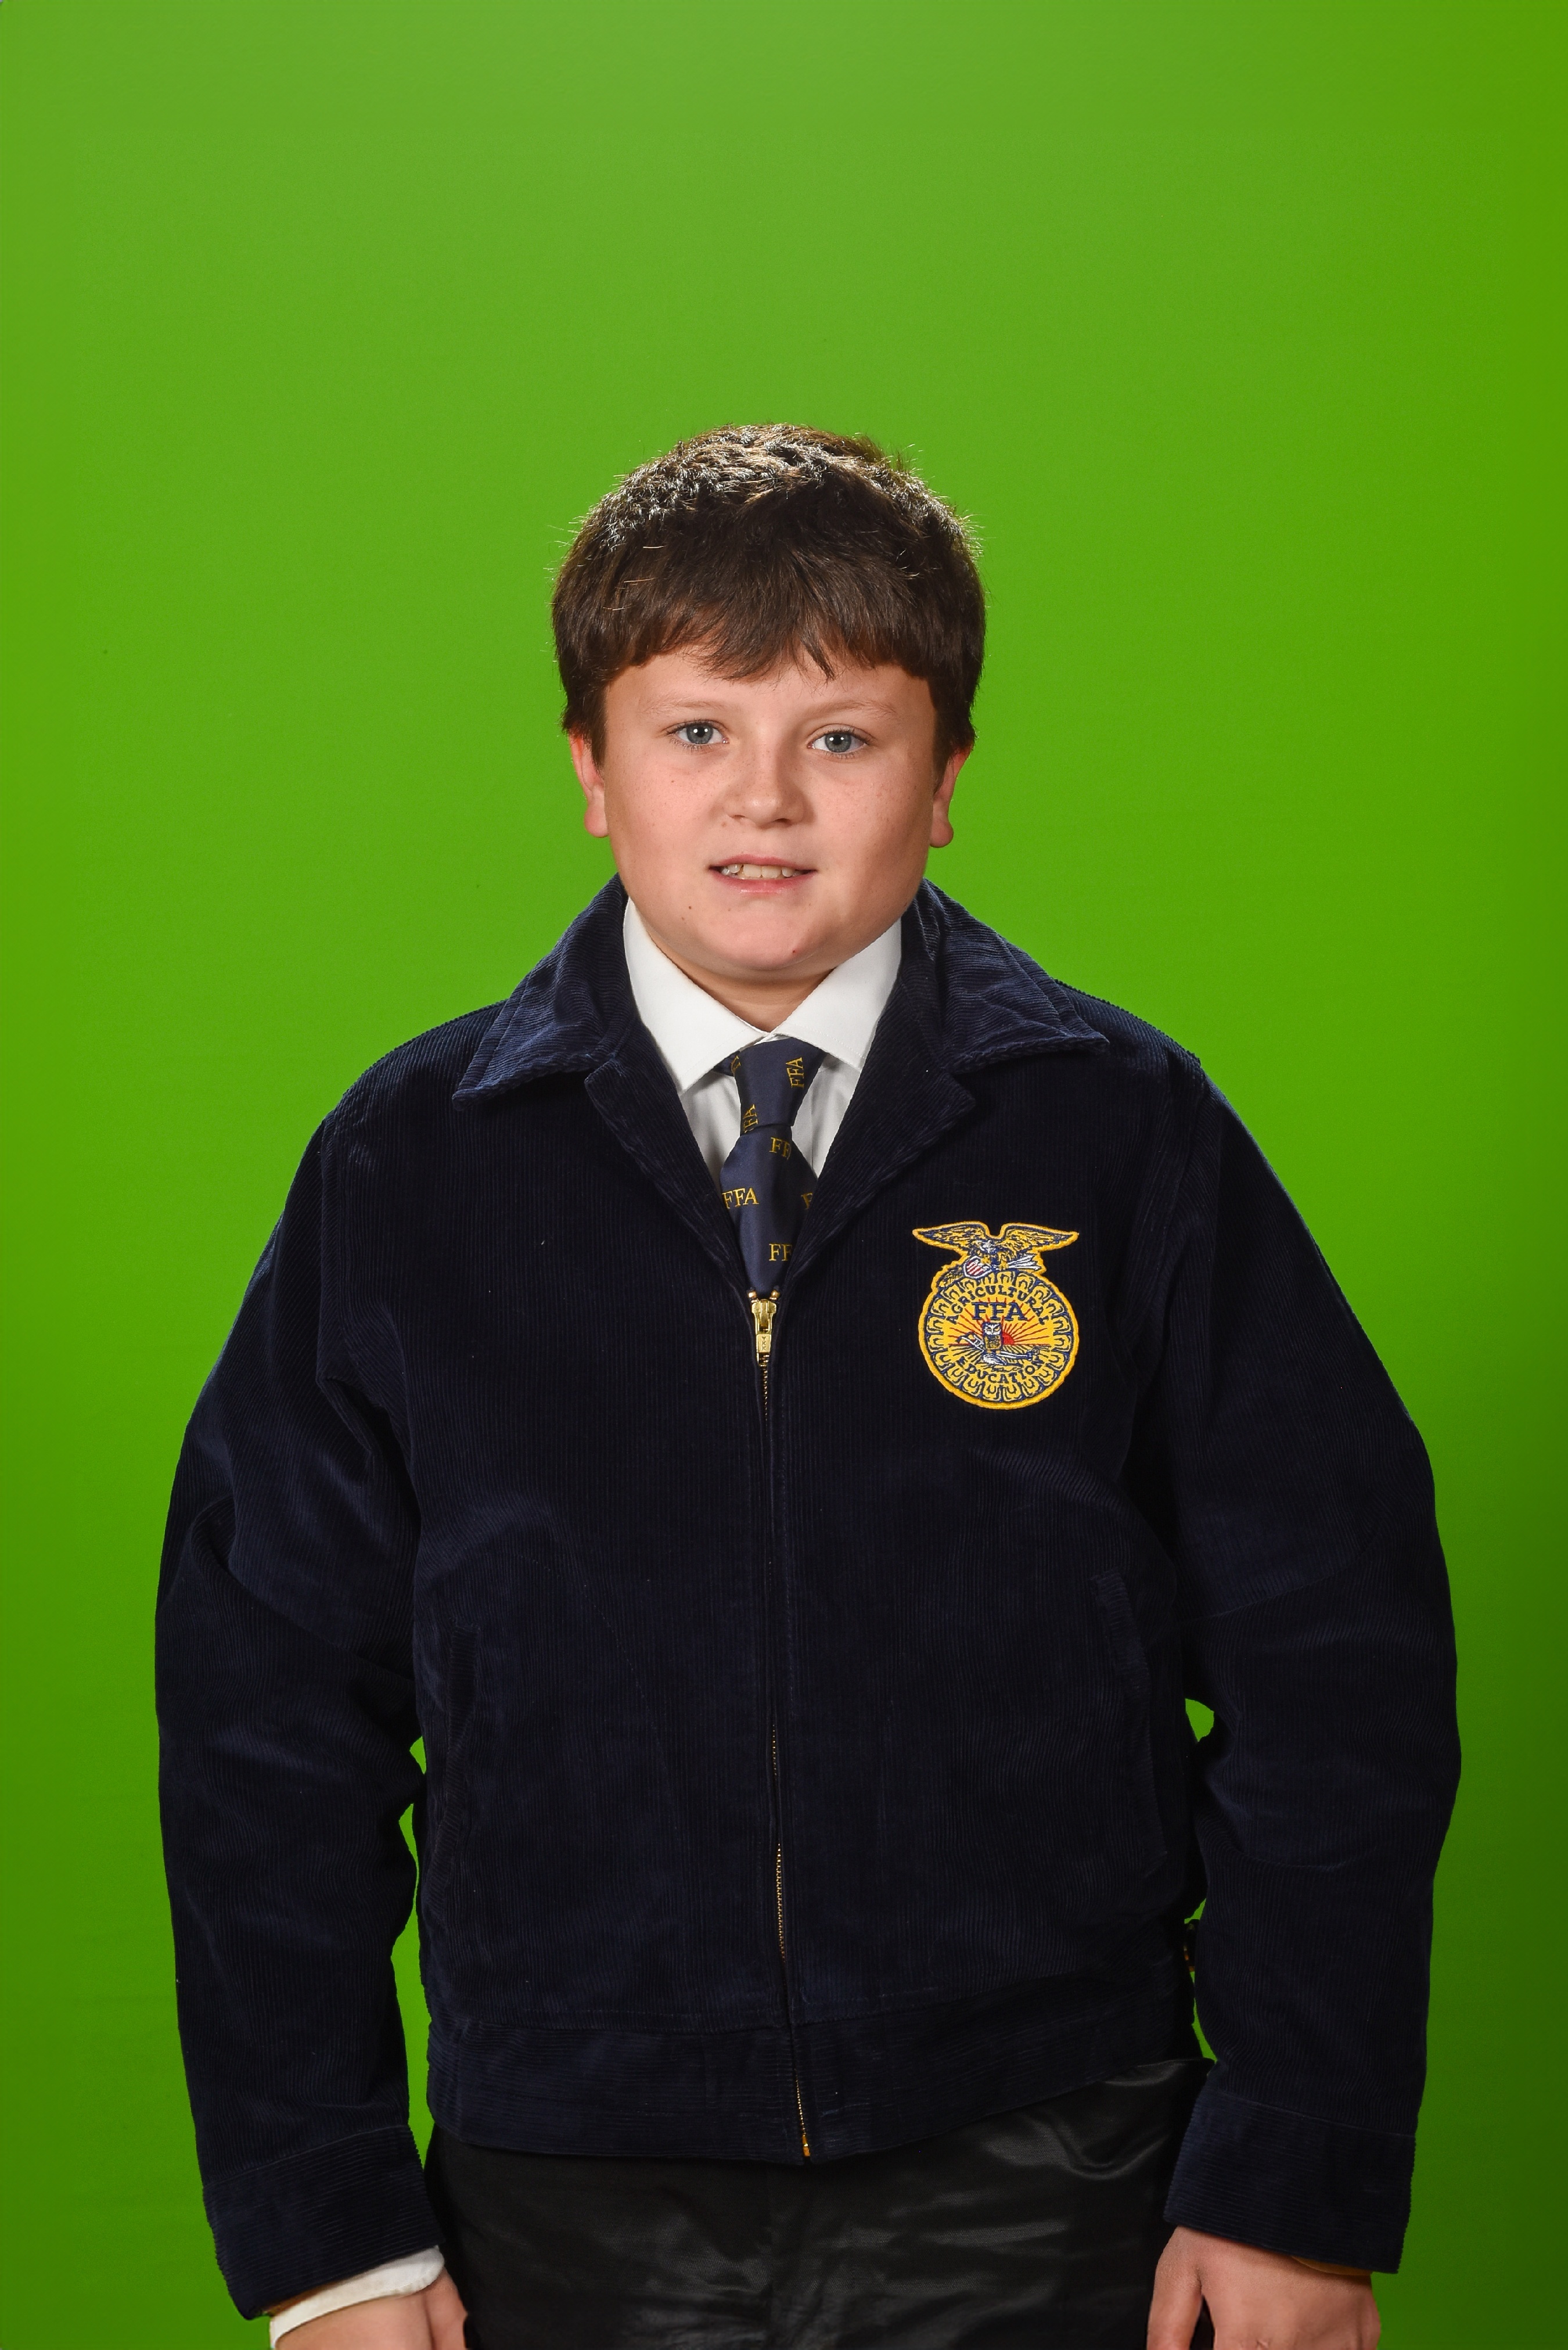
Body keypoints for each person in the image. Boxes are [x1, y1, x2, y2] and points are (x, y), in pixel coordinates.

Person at [156, 426, 1459, 2350]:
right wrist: (329, 2233)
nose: (762, 797)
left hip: (1055, 2161)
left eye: (841, 736)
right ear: (591, 769)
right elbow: (264, 1724)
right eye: (695, 730)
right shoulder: (409, 1166)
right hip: (561, 2182)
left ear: (944, 780)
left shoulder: (1119, 1133)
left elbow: (1335, 1664)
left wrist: (1292, 2174)